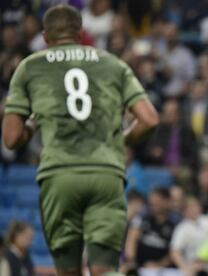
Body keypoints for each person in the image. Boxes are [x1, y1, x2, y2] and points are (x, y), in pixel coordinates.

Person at [1, 5, 159, 276]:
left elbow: (11, 138)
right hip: (105, 172)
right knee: (104, 269)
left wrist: (31, 125)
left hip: (59, 174)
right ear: (81, 33)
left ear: (45, 36)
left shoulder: (30, 66)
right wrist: (119, 142)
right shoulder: (113, 63)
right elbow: (149, 119)